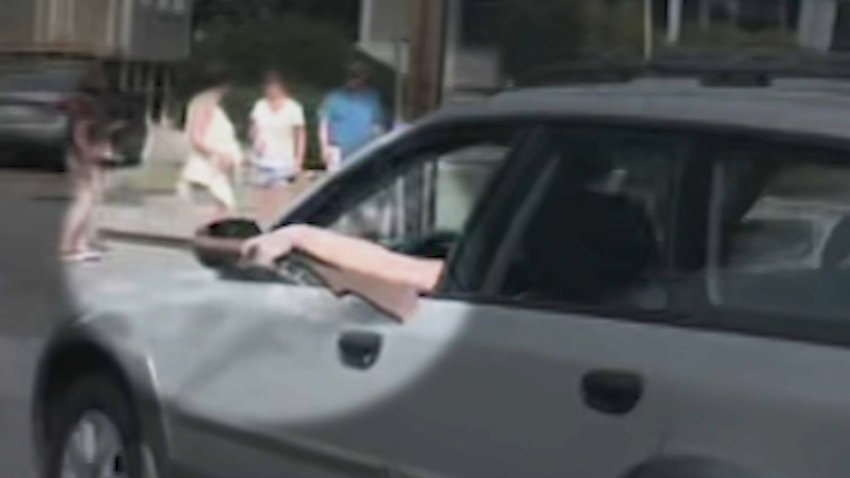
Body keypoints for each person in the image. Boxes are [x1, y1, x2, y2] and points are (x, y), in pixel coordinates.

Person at [60, 63, 117, 262]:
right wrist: (89, 155)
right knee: (85, 200)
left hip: (78, 154)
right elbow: (81, 131)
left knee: (88, 199)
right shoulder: (88, 103)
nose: (105, 81)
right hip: (83, 156)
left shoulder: (79, 100)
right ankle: (69, 246)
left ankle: (80, 243)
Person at [177, 66, 243, 221]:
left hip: (214, 169)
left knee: (222, 210)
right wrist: (218, 154)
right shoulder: (205, 105)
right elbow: (196, 137)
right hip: (208, 170)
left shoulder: (205, 103)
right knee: (221, 210)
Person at [248, 71, 307, 223]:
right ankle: (261, 225)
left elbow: (300, 135)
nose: (271, 90)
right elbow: (253, 128)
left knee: (280, 199)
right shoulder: (260, 105)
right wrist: (256, 139)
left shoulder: (293, 108)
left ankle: (276, 226)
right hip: (261, 160)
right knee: (261, 199)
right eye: (268, 87)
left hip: (284, 161)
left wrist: (299, 159)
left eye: (274, 87)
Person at [318, 61, 385, 169]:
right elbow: (324, 125)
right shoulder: (333, 97)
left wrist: (379, 147)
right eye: (351, 74)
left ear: (365, 77)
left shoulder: (372, 98)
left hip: (365, 150)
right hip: (337, 151)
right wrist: (324, 148)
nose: (354, 78)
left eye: (358, 75)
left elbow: (377, 126)